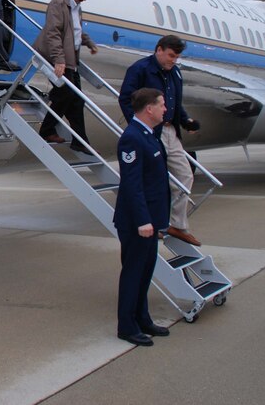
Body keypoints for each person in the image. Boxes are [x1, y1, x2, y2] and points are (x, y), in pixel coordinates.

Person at [118, 35, 202, 246]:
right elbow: (126, 98)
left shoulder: (175, 73)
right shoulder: (140, 69)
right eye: (171, 55)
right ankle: (153, 222)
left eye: (177, 57)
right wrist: (140, 127)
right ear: (159, 50)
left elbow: (174, 103)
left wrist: (185, 120)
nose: (174, 60)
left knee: (185, 175)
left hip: (170, 130)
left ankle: (177, 224)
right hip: (150, 132)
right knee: (151, 180)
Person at [114, 87, 171, 346]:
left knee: (146, 272)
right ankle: (127, 326)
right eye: (161, 105)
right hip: (137, 223)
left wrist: (157, 222)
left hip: (150, 221)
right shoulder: (132, 138)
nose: (165, 109)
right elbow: (132, 184)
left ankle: (142, 318)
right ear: (149, 108)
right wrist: (143, 221)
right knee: (133, 273)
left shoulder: (149, 135)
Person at [33, 0, 98, 149]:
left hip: (71, 60)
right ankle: (47, 131)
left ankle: (80, 141)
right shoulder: (58, 4)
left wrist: (89, 43)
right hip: (61, 59)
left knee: (77, 100)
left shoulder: (77, 8)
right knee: (65, 95)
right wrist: (58, 60)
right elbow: (53, 33)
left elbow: (76, 32)